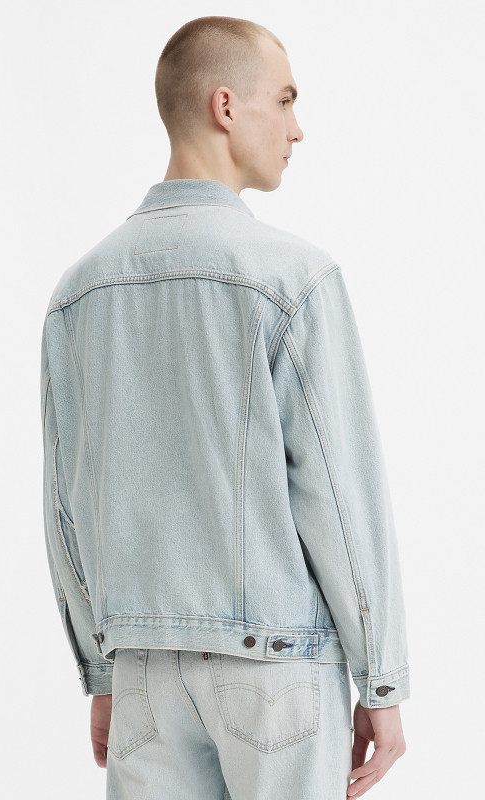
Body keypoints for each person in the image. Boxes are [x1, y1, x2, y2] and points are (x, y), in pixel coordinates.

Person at [40, 15, 410, 799]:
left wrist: (102, 668)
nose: (297, 127)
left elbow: (67, 501)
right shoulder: (291, 278)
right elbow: (340, 496)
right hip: (276, 670)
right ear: (226, 105)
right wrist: (381, 678)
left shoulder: (80, 291)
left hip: (143, 669)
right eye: (285, 99)